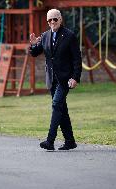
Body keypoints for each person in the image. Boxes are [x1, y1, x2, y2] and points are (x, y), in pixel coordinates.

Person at [29, 9, 82, 150]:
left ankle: (50, 141)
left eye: (55, 19)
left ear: (60, 19)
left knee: (56, 104)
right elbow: (35, 53)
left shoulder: (69, 36)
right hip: (52, 79)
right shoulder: (45, 36)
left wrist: (75, 77)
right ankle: (70, 141)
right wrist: (34, 44)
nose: (52, 22)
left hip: (65, 79)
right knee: (61, 109)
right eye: (49, 20)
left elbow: (77, 59)